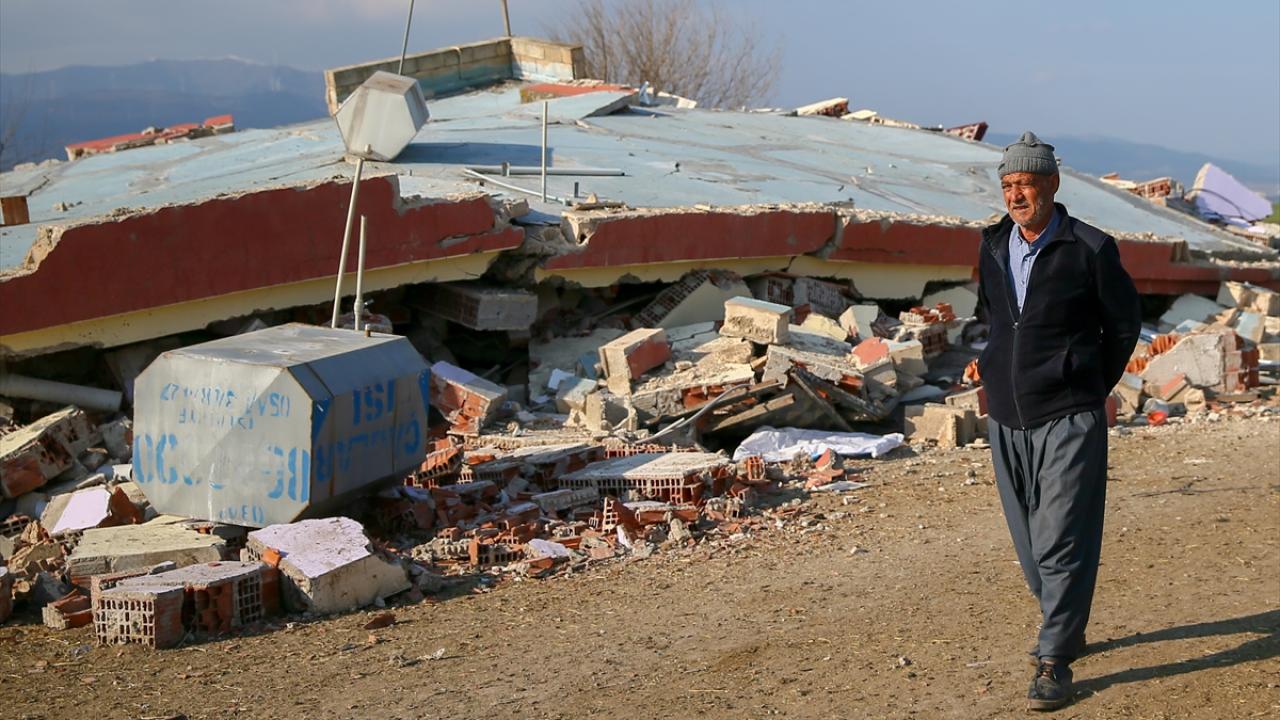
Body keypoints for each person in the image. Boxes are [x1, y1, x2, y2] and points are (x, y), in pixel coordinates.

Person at [976, 132, 1142, 711]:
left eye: (1025, 183)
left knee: (1061, 536)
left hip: (1069, 412)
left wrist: (1090, 382)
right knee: (1028, 540)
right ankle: (1064, 624)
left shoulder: (1090, 248)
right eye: (1008, 185)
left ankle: (1054, 660)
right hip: (1006, 416)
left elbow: (1123, 326)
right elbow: (990, 317)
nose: (1016, 195)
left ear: (1052, 184)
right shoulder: (993, 244)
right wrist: (992, 368)